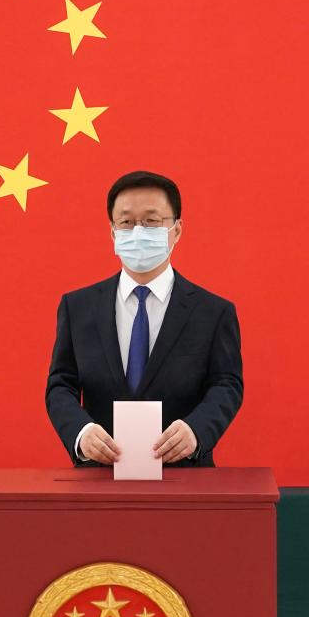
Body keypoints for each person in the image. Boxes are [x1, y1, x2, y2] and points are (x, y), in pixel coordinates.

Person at [45, 170, 243, 467]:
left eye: (151, 221)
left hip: (185, 475)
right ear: (113, 232)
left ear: (176, 230)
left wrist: (196, 431)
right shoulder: (78, 307)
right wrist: (81, 432)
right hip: (100, 474)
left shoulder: (213, 311)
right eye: (126, 222)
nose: (138, 232)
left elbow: (226, 384)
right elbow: (61, 384)